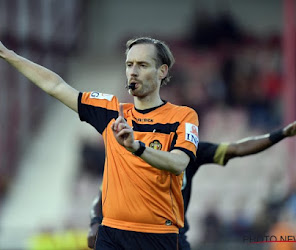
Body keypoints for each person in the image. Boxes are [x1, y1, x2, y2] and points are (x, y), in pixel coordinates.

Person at [0, 37, 199, 249]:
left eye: (142, 65)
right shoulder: (111, 111)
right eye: (129, 65)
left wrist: (137, 147)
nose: (133, 71)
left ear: (162, 71)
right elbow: (55, 85)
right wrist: (7, 54)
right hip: (111, 234)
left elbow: (179, 163)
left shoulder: (183, 116)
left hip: (158, 235)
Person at [87, 120, 296, 249]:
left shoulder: (192, 152)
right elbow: (103, 194)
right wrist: (96, 223)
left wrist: (279, 135)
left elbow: (237, 149)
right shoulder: (135, 156)